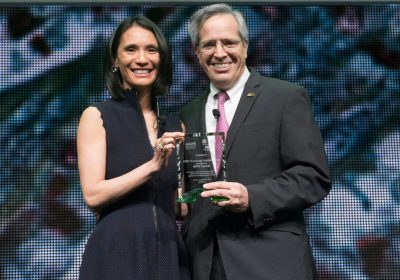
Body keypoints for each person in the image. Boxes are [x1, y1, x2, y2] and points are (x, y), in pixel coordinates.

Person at [179, 4, 331, 280]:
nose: (220, 52)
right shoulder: (185, 116)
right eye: (209, 44)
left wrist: (252, 197)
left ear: (246, 47)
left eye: (229, 42)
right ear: (197, 53)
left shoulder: (284, 98)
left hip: (271, 262)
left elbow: (313, 177)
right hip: (206, 266)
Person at [77, 16, 189, 280]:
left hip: (170, 252)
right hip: (117, 249)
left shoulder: (175, 125)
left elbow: (179, 206)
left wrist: (207, 184)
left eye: (151, 50)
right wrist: (152, 166)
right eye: (131, 49)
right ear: (115, 60)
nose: (142, 59)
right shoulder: (97, 116)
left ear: (161, 59)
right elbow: (93, 196)